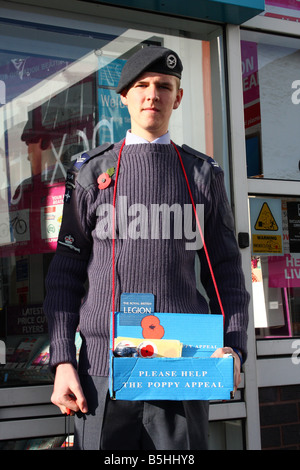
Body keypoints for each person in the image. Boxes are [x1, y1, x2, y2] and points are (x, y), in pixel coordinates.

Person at [44, 46, 249, 450]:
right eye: (141, 86)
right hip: (102, 375)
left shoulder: (202, 175)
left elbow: (225, 270)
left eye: (163, 86)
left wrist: (236, 346)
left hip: (184, 368)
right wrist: (63, 359)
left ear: (178, 96)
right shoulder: (92, 173)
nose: (152, 94)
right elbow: (65, 273)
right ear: (124, 97)